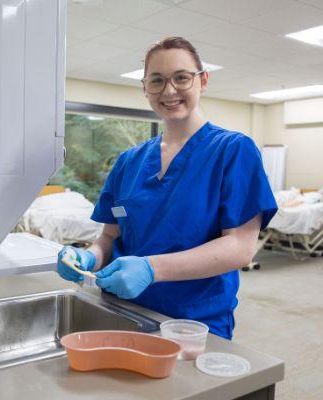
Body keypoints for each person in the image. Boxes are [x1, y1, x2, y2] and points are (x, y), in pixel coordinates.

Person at [56, 37, 277, 340]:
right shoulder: (128, 162)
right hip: (124, 312)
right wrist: (88, 257)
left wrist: (151, 269)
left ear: (203, 81)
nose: (169, 90)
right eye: (157, 80)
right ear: (145, 88)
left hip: (194, 325)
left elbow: (239, 248)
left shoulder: (233, 151)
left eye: (181, 78)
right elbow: (110, 236)